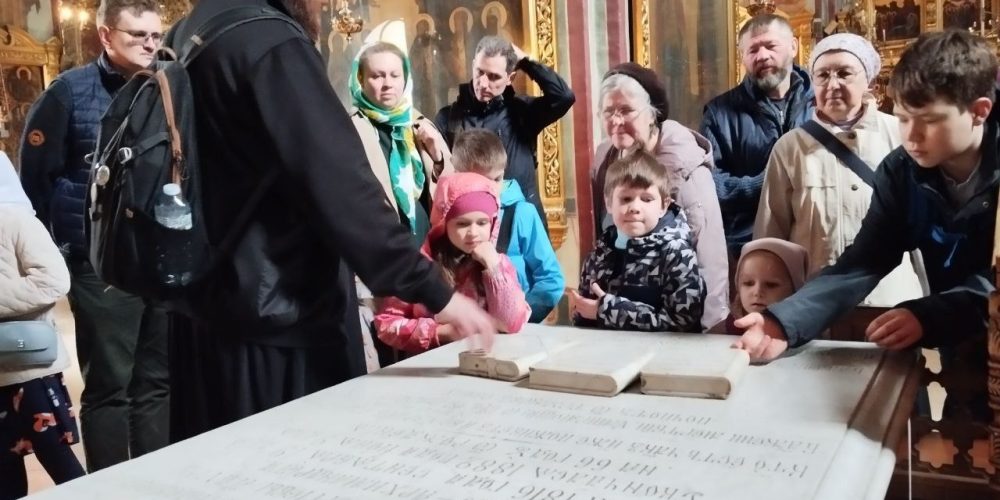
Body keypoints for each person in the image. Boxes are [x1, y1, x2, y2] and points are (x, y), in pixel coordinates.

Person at [166, 0, 497, 441]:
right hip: (274, 321)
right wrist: (436, 291)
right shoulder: (272, 42)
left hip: (202, 314)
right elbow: (339, 185)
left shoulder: (189, 30)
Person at [736, 30, 1000, 362]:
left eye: (930, 121)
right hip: (962, 336)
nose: (912, 136)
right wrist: (783, 322)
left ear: (979, 111)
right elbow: (864, 260)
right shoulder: (902, 170)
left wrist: (930, 314)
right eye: (903, 119)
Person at [18, 0, 168, 471]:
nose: (150, 45)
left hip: (161, 254)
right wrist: (67, 245)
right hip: (99, 260)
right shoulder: (68, 92)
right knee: (110, 385)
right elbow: (36, 179)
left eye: (156, 36)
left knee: (157, 380)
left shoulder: (170, 85)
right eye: (137, 35)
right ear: (105, 36)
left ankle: (159, 479)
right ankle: (112, 485)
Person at [754, 33, 924, 338]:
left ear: (868, 81)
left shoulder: (900, 134)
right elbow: (771, 234)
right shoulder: (790, 147)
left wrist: (931, 305)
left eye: (845, 73)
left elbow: (924, 228)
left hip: (891, 303)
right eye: (823, 75)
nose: (833, 85)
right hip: (817, 310)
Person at [591, 63, 728, 330]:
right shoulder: (605, 159)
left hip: (678, 319)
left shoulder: (686, 167)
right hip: (622, 316)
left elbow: (709, 255)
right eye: (608, 112)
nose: (616, 121)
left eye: (627, 111)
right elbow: (605, 238)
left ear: (653, 114)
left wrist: (711, 329)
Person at [347, 40, 454, 370]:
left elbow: (450, 192)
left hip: (423, 255)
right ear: (361, 80)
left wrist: (438, 155)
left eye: (394, 75)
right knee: (384, 348)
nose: (387, 83)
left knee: (426, 351)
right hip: (378, 259)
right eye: (377, 75)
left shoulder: (417, 123)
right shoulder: (350, 128)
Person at [0, 154, 85, 499]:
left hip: (28, 370)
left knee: (59, 460)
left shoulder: (15, 219)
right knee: (4, 472)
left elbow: (53, 280)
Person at [700, 14, 815, 258]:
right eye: (753, 50)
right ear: (742, 57)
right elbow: (710, 186)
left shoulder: (821, 104)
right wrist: (769, 183)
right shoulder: (719, 113)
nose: (762, 56)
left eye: (771, 46)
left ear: (794, 46)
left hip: (816, 240)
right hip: (752, 246)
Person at [374, 173, 530, 353]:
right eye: (462, 224)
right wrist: (440, 332)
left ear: (493, 223)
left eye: (482, 223)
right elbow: (386, 323)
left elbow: (511, 323)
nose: (473, 232)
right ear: (444, 223)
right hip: (433, 371)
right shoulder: (420, 267)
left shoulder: (499, 264)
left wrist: (494, 268)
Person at [435, 35, 575, 229]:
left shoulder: (523, 113)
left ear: (510, 78)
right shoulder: (448, 118)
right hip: (471, 228)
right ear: (473, 65)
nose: (483, 83)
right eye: (480, 72)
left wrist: (526, 62)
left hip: (522, 224)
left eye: (494, 76)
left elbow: (564, 97)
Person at [571, 149, 705, 332]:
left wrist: (608, 311)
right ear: (609, 203)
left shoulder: (677, 254)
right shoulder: (599, 253)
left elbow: (682, 323)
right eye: (626, 198)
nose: (635, 207)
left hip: (662, 357)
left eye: (646, 199)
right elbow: (587, 314)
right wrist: (581, 311)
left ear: (663, 206)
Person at [451, 128, 564, 322]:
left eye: (497, 179)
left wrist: (523, 317)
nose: (493, 189)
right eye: (481, 181)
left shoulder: (522, 213)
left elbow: (550, 279)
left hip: (516, 327)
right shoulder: (451, 217)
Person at [721, 238, 808, 335]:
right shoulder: (727, 325)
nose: (757, 292)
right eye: (748, 283)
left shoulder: (803, 330)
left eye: (771, 285)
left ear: (795, 288)